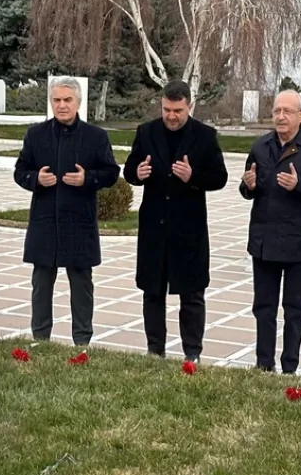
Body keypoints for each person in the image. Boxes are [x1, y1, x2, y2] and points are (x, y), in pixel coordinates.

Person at [123, 79, 228, 362]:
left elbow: (220, 177)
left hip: (189, 230)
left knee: (192, 296)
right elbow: (130, 169)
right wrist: (138, 174)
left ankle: (191, 354)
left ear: (189, 107)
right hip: (154, 229)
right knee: (152, 293)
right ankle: (155, 351)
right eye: (167, 109)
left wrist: (192, 177)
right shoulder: (146, 132)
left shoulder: (205, 136)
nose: (171, 116)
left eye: (178, 110)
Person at [13, 76, 120, 352]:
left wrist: (88, 179)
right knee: (41, 283)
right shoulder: (35, 135)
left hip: (79, 223)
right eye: (57, 100)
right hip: (44, 224)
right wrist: (35, 178)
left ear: (78, 103)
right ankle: (40, 339)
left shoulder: (96, 137)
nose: (62, 105)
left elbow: (111, 172)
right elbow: (20, 171)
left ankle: (82, 342)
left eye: (67, 100)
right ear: (51, 102)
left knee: (82, 285)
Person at [239, 90, 301, 373]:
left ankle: (290, 366)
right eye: (276, 111)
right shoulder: (261, 146)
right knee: (264, 308)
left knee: (294, 309)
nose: (280, 116)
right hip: (264, 242)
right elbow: (248, 189)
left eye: (287, 111)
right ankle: (263, 364)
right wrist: (249, 184)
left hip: (298, 242)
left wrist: (300, 185)